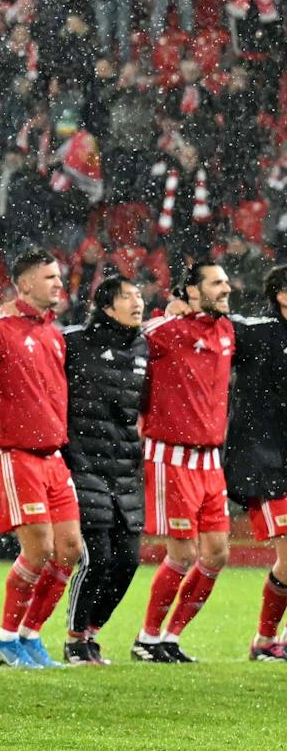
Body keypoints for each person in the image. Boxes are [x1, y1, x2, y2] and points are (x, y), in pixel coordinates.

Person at [134, 261, 236, 664]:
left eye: (227, 281)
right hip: (171, 455)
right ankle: (147, 637)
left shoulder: (227, 330)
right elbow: (127, 338)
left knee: (217, 554)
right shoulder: (166, 331)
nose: (226, 288)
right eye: (216, 283)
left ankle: (170, 638)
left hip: (211, 459)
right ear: (192, 291)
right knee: (183, 554)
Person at [0, 250, 82, 670]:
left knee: (70, 550)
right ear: (24, 285)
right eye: (49, 277)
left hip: (53, 456)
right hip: (15, 452)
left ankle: (30, 634)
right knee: (38, 549)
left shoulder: (54, 334)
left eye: (59, 276)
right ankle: (6, 638)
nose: (58, 284)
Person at [62, 276, 149, 664]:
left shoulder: (144, 346)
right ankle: (73, 637)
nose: (138, 303)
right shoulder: (74, 342)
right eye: (129, 297)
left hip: (124, 469)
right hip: (84, 464)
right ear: (107, 306)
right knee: (96, 557)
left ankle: (92, 633)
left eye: (140, 296)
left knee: (128, 560)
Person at [229, 265, 287, 662]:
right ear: (281, 294)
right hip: (263, 461)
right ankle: (264, 640)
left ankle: (268, 642)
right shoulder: (255, 331)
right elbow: (215, 330)